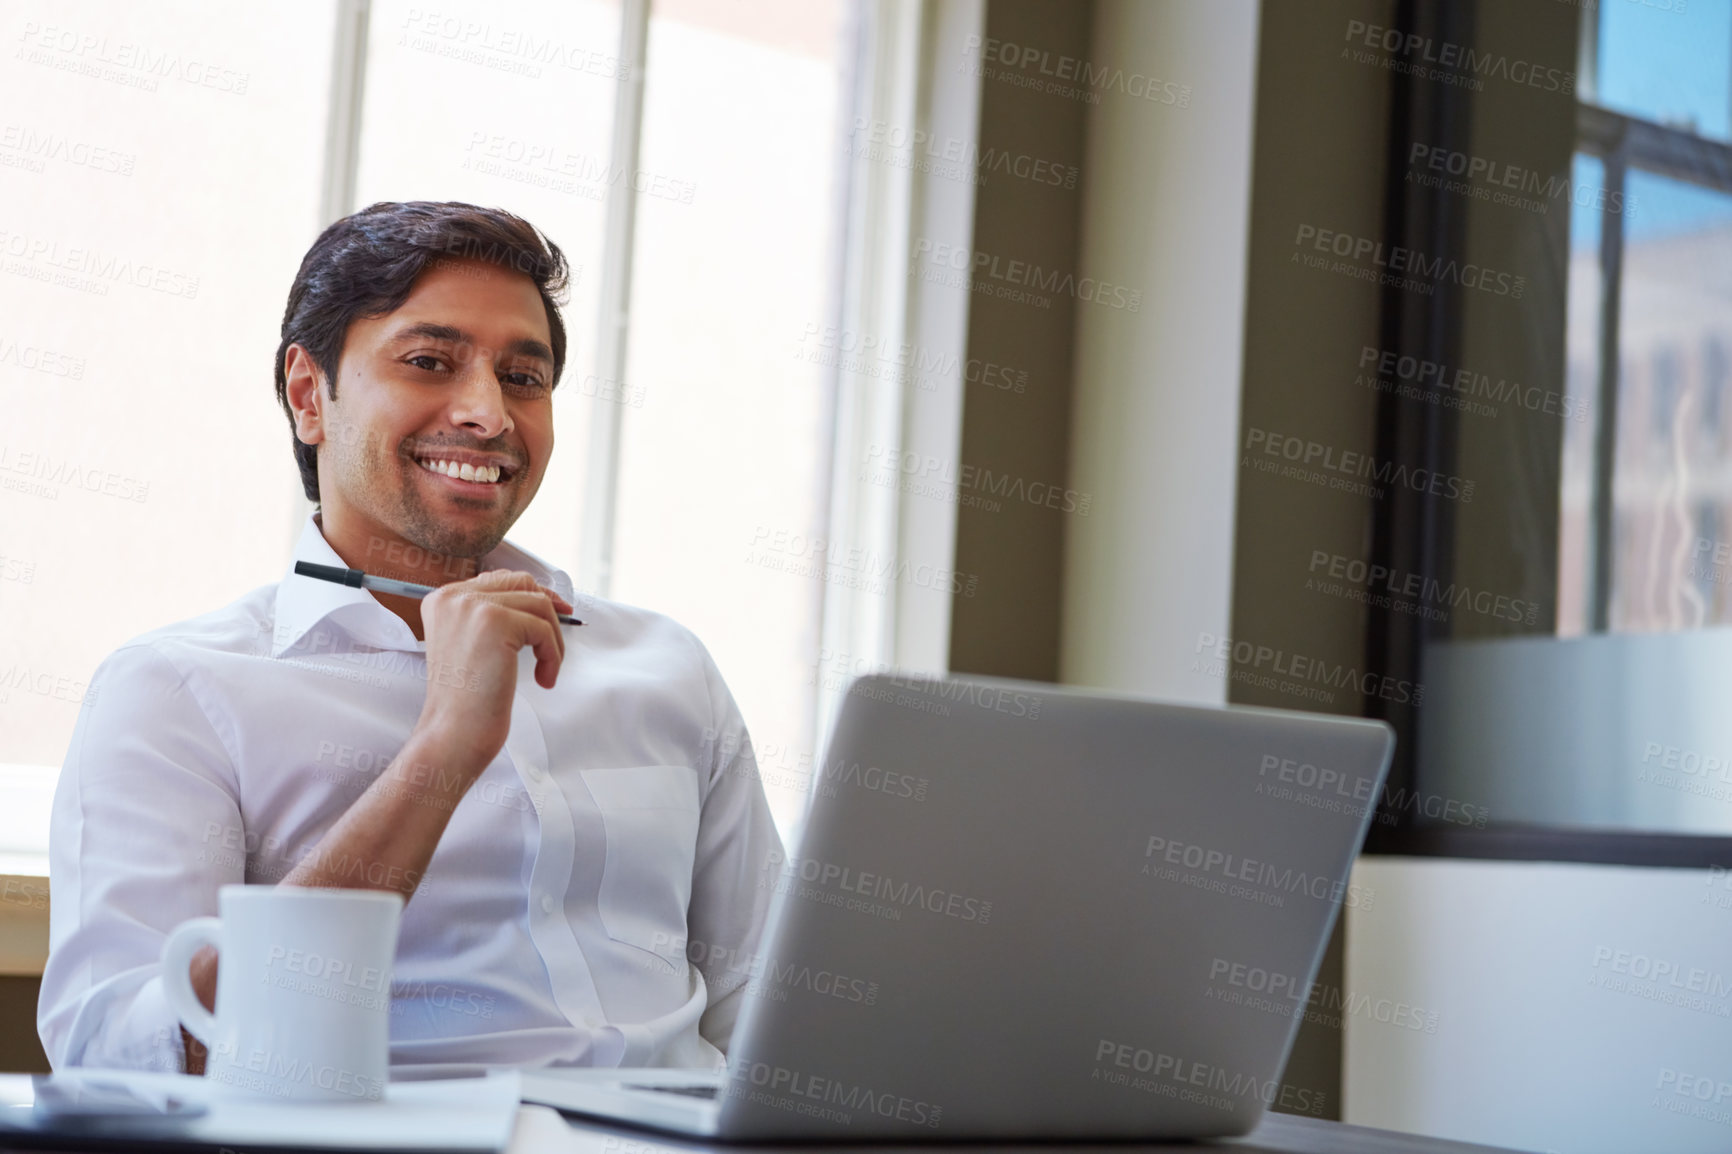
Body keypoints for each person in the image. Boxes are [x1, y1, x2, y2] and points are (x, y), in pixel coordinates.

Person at [37, 201, 782, 1075]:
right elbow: (127, 1056)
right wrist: (444, 748)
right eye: (430, 362)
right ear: (309, 395)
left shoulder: (668, 668)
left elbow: (773, 1011)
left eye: (523, 378)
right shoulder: (172, 692)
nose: (487, 413)